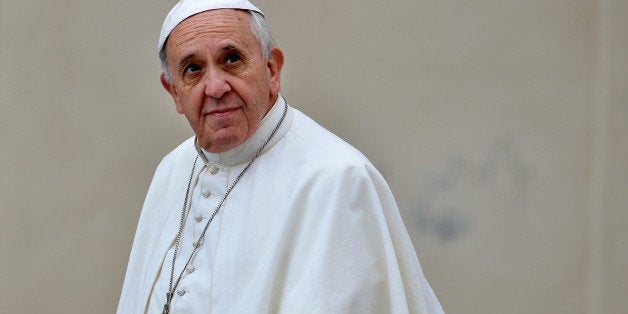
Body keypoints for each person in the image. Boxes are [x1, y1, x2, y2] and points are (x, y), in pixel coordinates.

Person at [118, 0, 443, 313]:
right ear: (174, 92)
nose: (216, 87)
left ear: (272, 70)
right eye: (193, 69)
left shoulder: (337, 180)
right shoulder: (171, 170)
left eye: (231, 59)